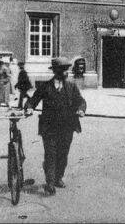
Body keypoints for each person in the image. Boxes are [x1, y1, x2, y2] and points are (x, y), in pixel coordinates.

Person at [25, 57, 86, 194]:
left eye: (67, 69)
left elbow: (81, 101)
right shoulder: (45, 87)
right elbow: (33, 100)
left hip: (67, 126)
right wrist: (29, 108)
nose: (66, 72)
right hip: (49, 127)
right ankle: (50, 183)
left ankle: (58, 178)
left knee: (63, 154)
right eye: (63, 70)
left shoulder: (71, 87)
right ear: (56, 71)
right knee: (50, 154)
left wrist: (81, 109)